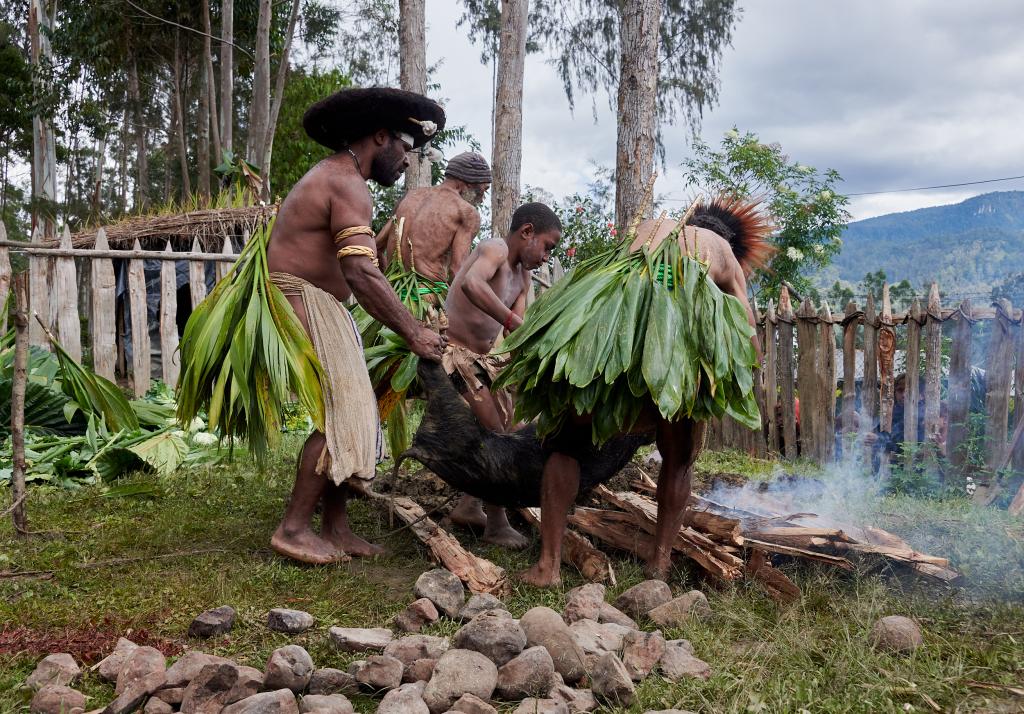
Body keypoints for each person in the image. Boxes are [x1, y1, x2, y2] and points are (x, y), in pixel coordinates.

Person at [509, 199, 773, 587]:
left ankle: (548, 566)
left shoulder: (651, 226)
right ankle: (658, 568)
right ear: (727, 241)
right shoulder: (725, 257)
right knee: (679, 458)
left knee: (565, 444)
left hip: (611, 326)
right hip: (675, 336)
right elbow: (748, 331)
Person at [264, 87, 448, 564]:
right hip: (302, 300)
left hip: (322, 303)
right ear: (381, 137)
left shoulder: (341, 178)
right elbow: (360, 270)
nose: (407, 162)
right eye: (405, 149)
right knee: (342, 412)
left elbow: (363, 265)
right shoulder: (346, 182)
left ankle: (336, 526)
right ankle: (293, 528)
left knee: (356, 411)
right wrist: (414, 332)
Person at [442, 202, 563, 548]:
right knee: (497, 432)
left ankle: (469, 505)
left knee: (518, 426)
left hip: (483, 361)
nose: (546, 257)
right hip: (452, 354)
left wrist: (538, 364)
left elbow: (516, 336)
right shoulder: (493, 249)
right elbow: (471, 284)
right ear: (527, 232)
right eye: (547, 247)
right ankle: (496, 523)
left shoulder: (523, 278)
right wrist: (512, 322)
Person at [376, 152, 491, 297]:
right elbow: (457, 271)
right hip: (428, 301)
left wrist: (388, 288)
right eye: (484, 189)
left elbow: (376, 247)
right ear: (469, 182)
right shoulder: (466, 212)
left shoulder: (410, 197)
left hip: (392, 298)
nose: (483, 197)